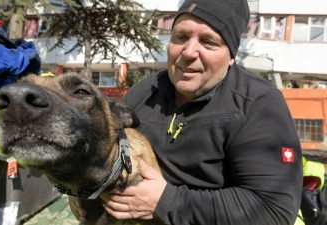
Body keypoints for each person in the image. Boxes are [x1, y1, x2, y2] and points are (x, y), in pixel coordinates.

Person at [69, 0, 303, 224]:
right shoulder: (142, 93)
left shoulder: (258, 103)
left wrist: (164, 201)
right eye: (180, 37)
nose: (189, 52)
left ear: (231, 55)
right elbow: (104, 151)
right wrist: (78, 185)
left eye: (208, 42)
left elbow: (273, 210)